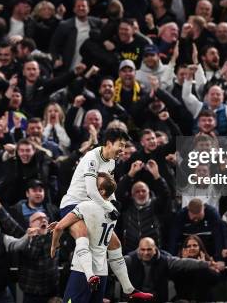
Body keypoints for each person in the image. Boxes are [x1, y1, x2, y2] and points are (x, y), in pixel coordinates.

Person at [57, 128, 152, 300]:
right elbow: (93, 191)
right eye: (120, 145)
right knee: (82, 234)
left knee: (114, 243)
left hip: (94, 206)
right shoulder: (91, 158)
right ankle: (88, 275)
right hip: (73, 205)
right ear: (108, 143)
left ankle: (129, 289)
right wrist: (110, 208)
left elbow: (108, 189)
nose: (122, 150)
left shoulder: (111, 162)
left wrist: (114, 202)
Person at [51, 172, 118, 302]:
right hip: (102, 270)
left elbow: (59, 228)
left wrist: (54, 245)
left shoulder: (85, 206)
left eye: (94, 185)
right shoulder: (113, 211)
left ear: (102, 191)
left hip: (83, 270)